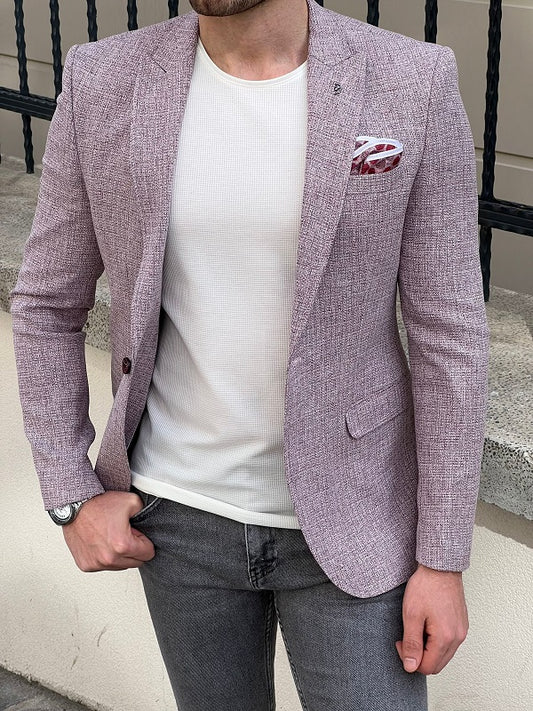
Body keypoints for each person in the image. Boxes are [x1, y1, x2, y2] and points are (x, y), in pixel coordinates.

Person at [10, 0, 489, 709]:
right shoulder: (103, 79)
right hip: (176, 518)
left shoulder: (410, 80)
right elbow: (47, 304)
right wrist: (69, 494)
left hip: (357, 518)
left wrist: (442, 558)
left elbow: (449, 335)